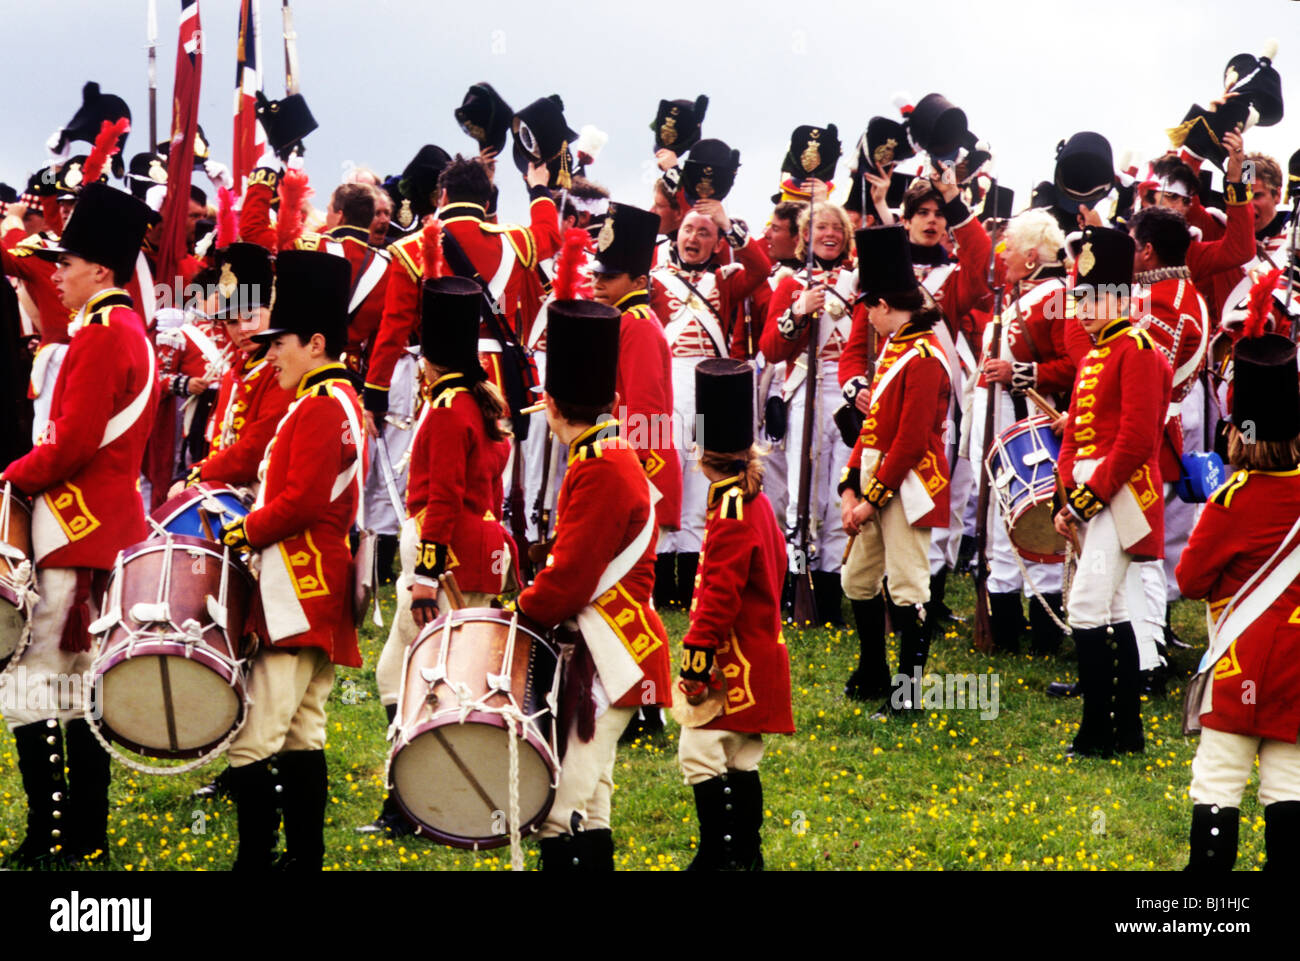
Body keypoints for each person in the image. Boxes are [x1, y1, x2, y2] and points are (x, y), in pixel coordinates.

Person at [0, 183, 156, 867]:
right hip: (108, 527)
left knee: (35, 681)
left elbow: (71, 445)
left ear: (98, 268)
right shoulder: (131, 331)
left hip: (72, 529)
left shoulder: (98, 335)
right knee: (77, 686)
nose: (55, 275)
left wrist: (10, 477)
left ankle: (52, 833)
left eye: (66, 264)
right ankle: (84, 830)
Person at [217, 250, 365, 871]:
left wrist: (241, 529)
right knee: (305, 730)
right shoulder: (337, 399)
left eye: (283, 343)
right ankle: (305, 859)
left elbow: (301, 501)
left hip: (298, 586)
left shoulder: (321, 405)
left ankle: (257, 863)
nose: (271, 354)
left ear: (318, 342)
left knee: (251, 743)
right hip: (318, 582)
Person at [515, 297, 672, 870]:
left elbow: (573, 576)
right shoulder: (606, 450)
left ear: (554, 405)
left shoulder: (600, 464)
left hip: (614, 651)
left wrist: (523, 608)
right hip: (613, 649)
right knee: (593, 796)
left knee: (561, 805)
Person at [363, 275, 514, 836]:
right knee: (441, 679)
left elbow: (445, 496)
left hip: (443, 552)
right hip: (470, 548)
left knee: (404, 680)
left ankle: (410, 803)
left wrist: (426, 574)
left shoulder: (449, 409)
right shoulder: (467, 400)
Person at [1177, 287, 1300, 871]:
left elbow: (1191, 579)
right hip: (1299, 664)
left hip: (1241, 661)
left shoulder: (1233, 498)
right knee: (1289, 783)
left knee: (1220, 778)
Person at [1052, 226, 1171, 758]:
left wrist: (1088, 497)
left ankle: (1097, 731)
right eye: (1078, 296)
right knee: (1116, 607)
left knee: (1086, 607)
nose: (1081, 307)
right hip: (1090, 498)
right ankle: (1127, 730)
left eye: (1091, 298)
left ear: (1121, 298)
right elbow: (1074, 433)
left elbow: (1135, 440)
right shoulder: (1099, 353)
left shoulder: (1138, 350)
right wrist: (1063, 499)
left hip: (1119, 498)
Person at [676, 358, 792, 870]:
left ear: (704, 455)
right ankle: (747, 853)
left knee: (698, 754)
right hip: (760, 647)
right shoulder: (756, 499)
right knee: (742, 756)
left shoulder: (729, 508)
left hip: (732, 656)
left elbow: (718, 594)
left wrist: (697, 658)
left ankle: (718, 856)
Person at [837, 226, 951, 711]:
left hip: (910, 485)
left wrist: (870, 500)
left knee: (908, 587)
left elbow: (908, 440)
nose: (865, 316)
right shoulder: (897, 348)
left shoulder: (924, 354)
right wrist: (848, 485)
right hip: (874, 475)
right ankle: (872, 669)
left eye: (867, 307)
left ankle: (908, 691)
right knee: (857, 580)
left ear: (883, 304)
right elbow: (872, 426)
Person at [589, 201, 681, 740]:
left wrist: (632, 480)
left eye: (611, 276)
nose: (600, 283)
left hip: (638, 472)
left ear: (639, 279)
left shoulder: (638, 326)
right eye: (598, 274)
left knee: (633, 599)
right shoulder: (625, 320)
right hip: (627, 468)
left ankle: (649, 708)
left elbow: (644, 411)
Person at [649, 197, 770, 607]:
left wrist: (730, 224)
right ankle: (662, 580)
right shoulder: (656, 279)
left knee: (702, 482)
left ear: (717, 242)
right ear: (676, 235)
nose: (694, 238)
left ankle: (691, 581)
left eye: (705, 232)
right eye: (688, 230)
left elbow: (761, 269)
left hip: (707, 384)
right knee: (665, 480)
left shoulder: (725, 279)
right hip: (666, 384)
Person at [971, 209, 1081, 655]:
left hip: (1030, 425)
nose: (1002, 255)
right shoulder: (1017, 295)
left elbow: (1075, 365)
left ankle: (1043, 632)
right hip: (998, 421)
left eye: (1010, 247)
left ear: (1032, 256)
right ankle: (1004, 628)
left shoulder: (1057, 296)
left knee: (1034, 518)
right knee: (1000, 525)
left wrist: (1021, 372)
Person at [760, 201, 857, 625]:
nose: (830, 233)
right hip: (805, 387)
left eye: (837, 227)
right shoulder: (790, 283)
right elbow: (770, 349)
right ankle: (797, 588)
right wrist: (798, 311)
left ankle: (832, 591)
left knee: (842, 492)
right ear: (805, 237)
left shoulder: (859, 283)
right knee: (802, 494)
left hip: (851, 389)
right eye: (821, 227)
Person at [1127, 205, 1209, 693]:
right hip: (1162, 429)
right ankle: (1142, 652)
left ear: (1148, 249)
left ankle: (1146, 660)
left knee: (1140, 554)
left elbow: (1140, 376)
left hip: (1146, 433)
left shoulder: (1161, 301)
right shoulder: (1183, 292)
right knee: (1139, 553)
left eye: (1132, 244)